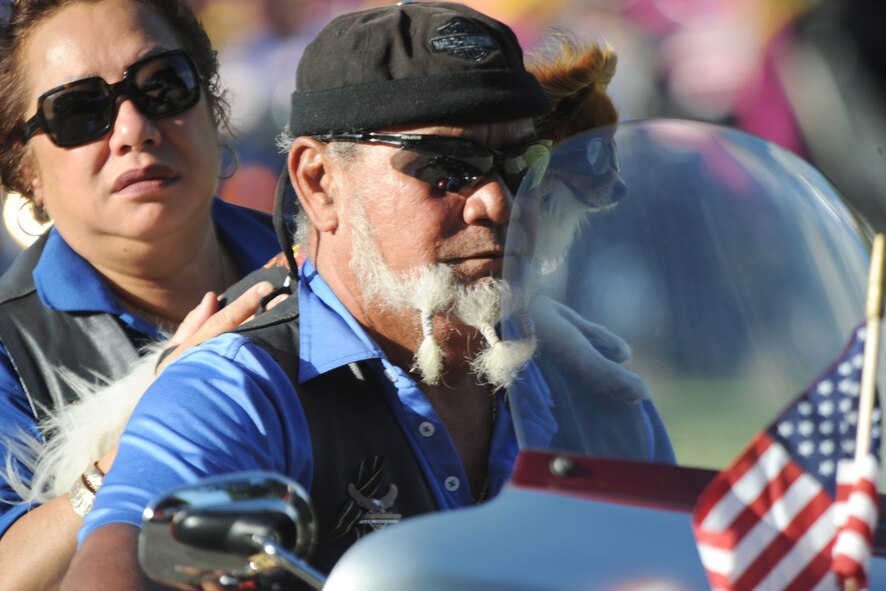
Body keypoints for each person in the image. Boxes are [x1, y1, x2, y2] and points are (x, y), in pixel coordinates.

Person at [62, 3, 674, 588]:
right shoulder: (238, 390)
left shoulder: (598, 394)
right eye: (446, 166)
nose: (497, 202)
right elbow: (117, 567)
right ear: (320, 183)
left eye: (522, 163)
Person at [0, 0, 283, 589]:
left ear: (211, 106)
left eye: (162, 86)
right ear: (26, 168)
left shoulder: (324, 266)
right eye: (78, 111)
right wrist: (158, 414)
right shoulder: (10, 348)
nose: (134, 129)